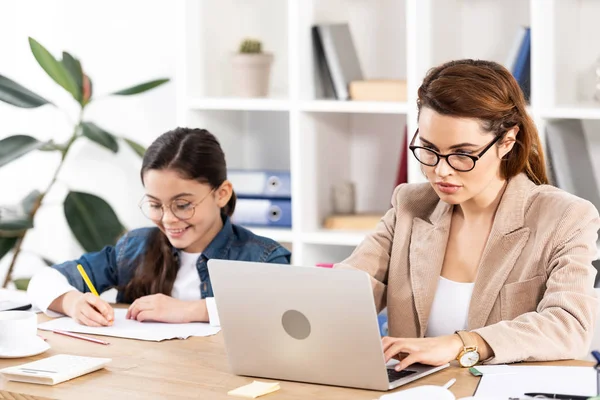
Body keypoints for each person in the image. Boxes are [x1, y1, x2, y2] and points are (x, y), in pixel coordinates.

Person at [335, 59, 600, 370]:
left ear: (507, 141)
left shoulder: (566, 217)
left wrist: (461, 343)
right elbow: (348, 286)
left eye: (462, 154)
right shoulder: (411, 204)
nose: (441, 170)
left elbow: (569, 326)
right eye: (429, 149)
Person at [28, 127, 291, 326]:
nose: (168, 219)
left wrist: (191, 311)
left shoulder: (263, 258)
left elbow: (280, 310)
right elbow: (44, 280)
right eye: (155, 205)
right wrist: (72, 302)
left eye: (183, 205)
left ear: (221, 194)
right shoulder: (135, 248)